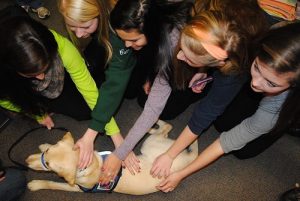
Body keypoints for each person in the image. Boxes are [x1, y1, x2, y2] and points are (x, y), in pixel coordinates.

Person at [99, 1, 267, 184]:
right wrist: (121, 152)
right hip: (210, 53)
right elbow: (153, 106)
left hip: (243, 63)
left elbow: (203, 116)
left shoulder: (235, 68)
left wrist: (170, 155)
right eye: (182, 50)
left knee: (231, 132)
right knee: (160, 102)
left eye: (186, 57)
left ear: (218, 63)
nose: (178, 57)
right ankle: (202, 72)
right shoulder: (182, 30)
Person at [153, 22, 300, 193]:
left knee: (243, 150)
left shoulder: (279, 105)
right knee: (223, 122)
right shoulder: (272, 38)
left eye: (270, 82)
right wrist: (203, 68)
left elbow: (228, 141)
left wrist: (181, 174)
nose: (255, 83)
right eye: (257, 67)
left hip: (286, 106)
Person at [58, 0, 137, 169]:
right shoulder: (87, 28)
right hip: (103, 38)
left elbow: (115, 84)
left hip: (118, 41)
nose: (78, 34)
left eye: (85, 26)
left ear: (100, 12)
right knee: (93, 67)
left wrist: (91, 134)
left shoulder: (119, 29)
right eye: (72, 26)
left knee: (130, 91)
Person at [0, 16, 100, 133]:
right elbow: (7, 100)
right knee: (82, 111)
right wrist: (38, 114)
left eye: (43, 70)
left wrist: (113, 132)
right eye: (32, 74)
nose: (42, 78)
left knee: (93, 101)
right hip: (27, 90)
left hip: (58, 73)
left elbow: (86, 85)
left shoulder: (59, 46)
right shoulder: (5, 75)